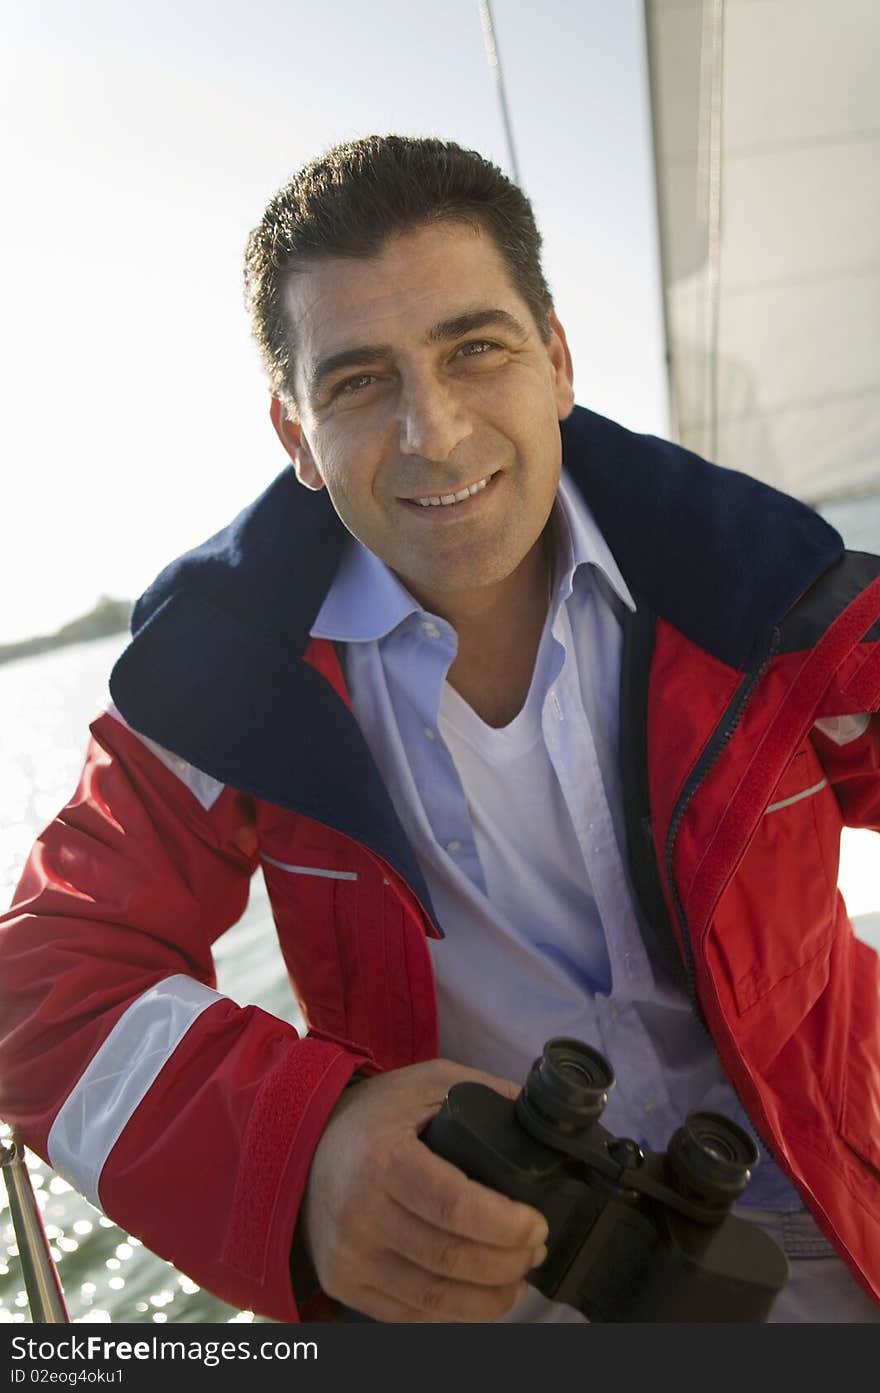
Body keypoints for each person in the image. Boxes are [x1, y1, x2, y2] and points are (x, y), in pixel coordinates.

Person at [2, 134, 879, 1325]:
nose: (434, 432)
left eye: (475, 348)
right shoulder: (221, 684)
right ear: (293, 437)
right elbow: (43, 975)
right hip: (478, 1289)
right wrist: (310, 1150)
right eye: (358, 382)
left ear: (558, 360)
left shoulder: (780, 606)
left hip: (844, 1210)